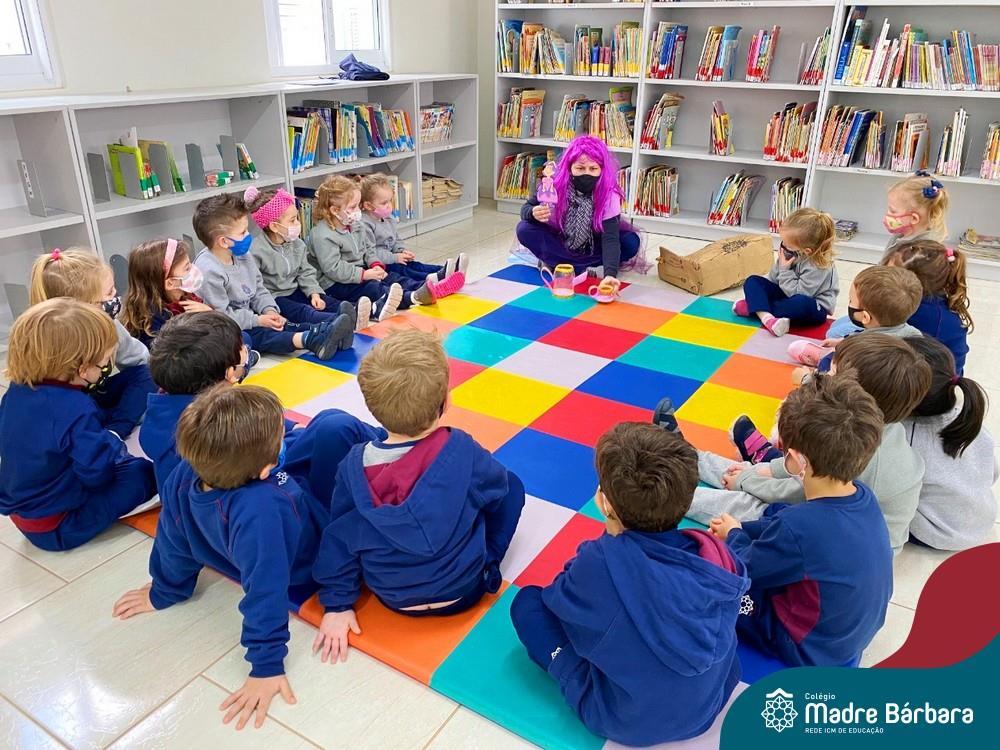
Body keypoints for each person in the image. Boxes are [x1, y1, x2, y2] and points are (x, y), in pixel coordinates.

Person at [510, 423, 750, 746]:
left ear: (605, 502)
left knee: (527, 604)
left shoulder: (599, 562)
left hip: (629, 720)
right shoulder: (717, 553)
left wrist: (609, 537)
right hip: (711, 701)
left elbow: (559, 602)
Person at [112, 385, 327, 731]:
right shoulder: (262, 509)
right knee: (332, 428)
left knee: (315, 434)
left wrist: (165, 590)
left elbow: (173, 539)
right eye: (278, 440)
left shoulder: (186, 472)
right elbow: (266, 588)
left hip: (257, 533)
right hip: (311, 557)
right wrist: (266, 665)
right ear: (264, 470)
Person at [311, 329, 525, 662]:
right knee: (511, 485)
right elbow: (498, 491)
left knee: (352, 527)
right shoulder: (461, 449)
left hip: (393, 596)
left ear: (371, 406)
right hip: (463, 590)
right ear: (446, 402)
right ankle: (489, 562)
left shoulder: (352, 467)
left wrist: (337, 604)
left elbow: (338, 538)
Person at [684, 333, 931, 554]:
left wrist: (746, 481)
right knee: (751, 470)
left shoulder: (857, 450)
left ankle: (673, 490)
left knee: (752, 507)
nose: (822, 377)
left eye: (832, 374)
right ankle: (682, 455)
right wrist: (759, 472)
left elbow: (798, 494)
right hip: (825, 505)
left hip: (840, 541)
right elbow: (796, 472)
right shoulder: (868, 427)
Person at [710, 374, 893, 667]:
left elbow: (744, 567)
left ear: (797, 459)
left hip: (807, 648)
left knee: (717, 587)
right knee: (775, 517)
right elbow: (790, 533)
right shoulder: (863, 495)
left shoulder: (799, 528)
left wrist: (734, 535)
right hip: (847, 635)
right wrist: (743, 527)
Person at [141, 311, 382, 500]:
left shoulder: (166, 411)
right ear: (230, 373)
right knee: (334, 426)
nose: (246, 351)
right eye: (242, 349)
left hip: (242, 488)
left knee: (325, 425)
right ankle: (389, 443)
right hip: (268, 491)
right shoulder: (217, 424)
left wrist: (292, 427)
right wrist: (297, 434)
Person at [0, 298, 156, 551]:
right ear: (83, 369)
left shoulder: (16, 391)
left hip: (28, 512)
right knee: (141, 474)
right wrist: (112, 451)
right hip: (59, 526)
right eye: (104, 361)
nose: (107, 366)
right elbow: (97, 474)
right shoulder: (74, 408)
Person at [192, 193, 351, 359]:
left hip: (250, 316)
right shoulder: (209, 271)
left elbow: (259, 289)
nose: (248, 236)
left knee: (282, 324)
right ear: (223, 241)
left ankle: (329, 332)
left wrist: (269, 310)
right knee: (262, 335)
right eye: (243, 232)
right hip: (226, 327)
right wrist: (258, 320)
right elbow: (222, 317)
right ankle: (310, 339)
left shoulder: (242, 255)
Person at [30, 247, 156, 437]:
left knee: (149, 374)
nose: (116, 297)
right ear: (83, 306)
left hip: (95, 395)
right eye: (109, 293)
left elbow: (138, 359)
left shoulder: (108, 323)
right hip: (65, 407)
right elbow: (48, 401)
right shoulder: (50, 338)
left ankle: (115, 430)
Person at [308, 176, 464, 322]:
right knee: (374, 288)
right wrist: (363, 274)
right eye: (353, 207)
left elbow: (368, 249)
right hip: (334, 283)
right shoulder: (322, 235)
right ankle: (413, 297)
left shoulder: (355, 225)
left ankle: (428, 288)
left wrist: (375, 264)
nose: (358, 211)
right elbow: (333, 268)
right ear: (335, 210)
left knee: (390, 277)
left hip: (359, 272)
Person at [827, 171, 949, 338]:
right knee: (838, 325)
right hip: (882, 307)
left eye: (892, 210)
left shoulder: (919, 253)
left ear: (914, 218)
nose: (888, 214)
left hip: (894, 316)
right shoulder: (901, 237)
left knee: (835, 333)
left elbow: (902, 295)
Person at [903, 336, 997, 551]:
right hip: (983, 518)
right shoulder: (968, 418)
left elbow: (892, 491)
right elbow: (992, 473)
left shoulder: (906, 437)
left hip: (938, 533)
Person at [516, 135, 640, 294]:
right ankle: (579, 265)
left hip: (592, 244)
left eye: (593, 169)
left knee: (630, 242)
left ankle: (560, 262)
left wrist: (609, 275)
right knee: (524, 229)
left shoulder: (609, 195)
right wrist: (532, 212)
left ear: (602, 170)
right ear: (569, 168)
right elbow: (526, 209)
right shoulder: (554, 184)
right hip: (560, 239)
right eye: (580, 168)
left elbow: (610, 238)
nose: (586, 174)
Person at [244, 186, 365, 333]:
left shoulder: (297, 244)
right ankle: (338, 322)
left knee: (323, 301)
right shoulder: (256, 251)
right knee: (304, 311)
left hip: (296, 289)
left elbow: (305, 272)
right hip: (275, 298)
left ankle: (355, 312)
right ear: (275, 227)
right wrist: (268, 308)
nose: (298, 223)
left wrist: (314, 292)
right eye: (292, 220)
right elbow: (257, 287)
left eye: (297, 218)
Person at [787, 265, 923, 370]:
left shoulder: (862, 349)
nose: (849, 304)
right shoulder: (915, 335)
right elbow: (864, 334)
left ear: (865, 317)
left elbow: (840, 382)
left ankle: (821, 358)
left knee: (827, 360)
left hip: (857, 380)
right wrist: (842, 341)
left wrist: (808, 377)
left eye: (851, 301)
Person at [732, 208, 839, 337]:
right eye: (783, 242)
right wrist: (779, 267)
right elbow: (773, 280)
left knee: (800, 303)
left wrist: (784, 269)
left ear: (806, 251)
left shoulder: (820, 265)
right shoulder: (790, 251)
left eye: (788, 245)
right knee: (752, 281)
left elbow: (799, 293)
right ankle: (768, 318)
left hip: (813, 307)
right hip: (786, 296)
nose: (783, 247)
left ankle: (756, 308)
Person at [359, 173, 466, 284]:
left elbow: (396, 239)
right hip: (380, 264)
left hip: (393, 257)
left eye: (390, 201)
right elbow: (371, 253)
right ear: (368, 205)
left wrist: (401, 251)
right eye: (384, 203)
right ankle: (432, 279)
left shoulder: (388, 218)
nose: (389, 205)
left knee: (415, 265)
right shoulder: (365, 224)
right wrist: (396, 257)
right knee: (403, 270)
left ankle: (448, 271)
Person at [886, 240, 972, 374]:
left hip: (930, 380)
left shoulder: (924, 315)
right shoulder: (925, 304)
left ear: (911, 284)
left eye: (889, 274)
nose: (882, 277)